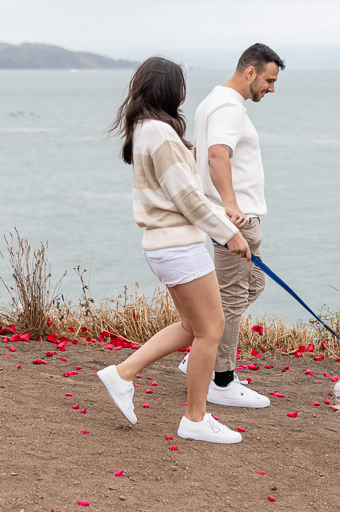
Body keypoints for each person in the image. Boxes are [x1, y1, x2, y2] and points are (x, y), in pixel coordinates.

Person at [96, 55, 252, 444]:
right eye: (180, 86)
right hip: (178, 247)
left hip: (164, 246)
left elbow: (183, 196)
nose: (184, 94)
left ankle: (122, 373)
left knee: (191, 328)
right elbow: (187, 198)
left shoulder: (145, 129)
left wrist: (222, 223)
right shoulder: (160, 134)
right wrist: (228, 234)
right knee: (210, 330)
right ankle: (195, 419)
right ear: (169, 89)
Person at [182, 43, 285, 408]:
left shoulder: (213, 101)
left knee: (250, 286)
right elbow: (216, 154)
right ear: (251, 72)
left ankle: (200, 355)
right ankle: (221, 380)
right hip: (235, 222)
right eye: (269, 81)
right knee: (229, 297)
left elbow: (200, 153)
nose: (271, 89)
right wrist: (229, 207)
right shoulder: (227, 106)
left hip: (237, 219)